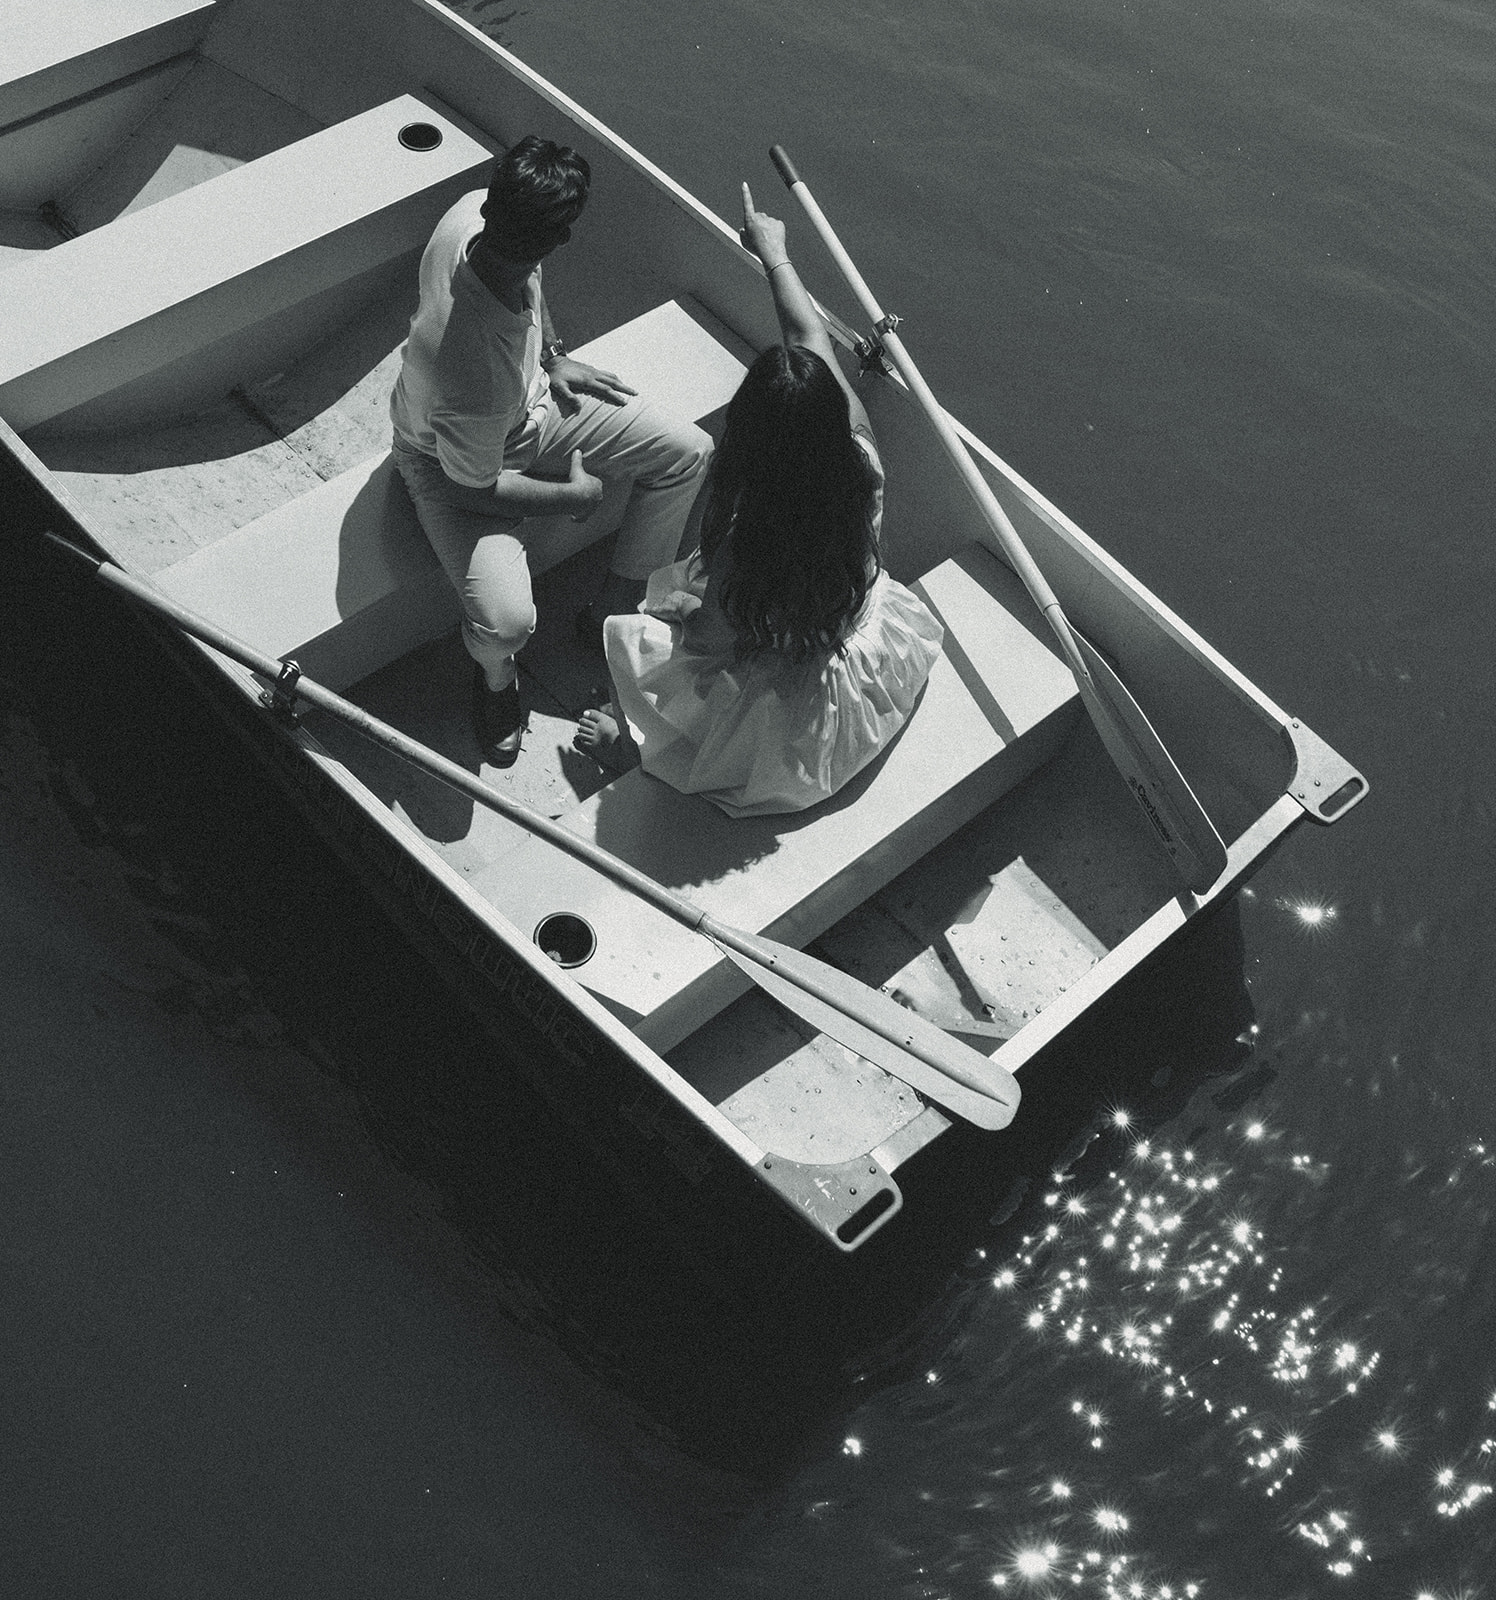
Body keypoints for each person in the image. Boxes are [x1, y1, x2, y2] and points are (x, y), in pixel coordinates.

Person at [573, 183, 943, 817]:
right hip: (859, 644)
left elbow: (705, 648)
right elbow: (809, 335)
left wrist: (671, 611)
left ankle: (628, 748)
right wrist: (773, 253)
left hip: (785, 703)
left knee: (638, 636)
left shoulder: (747, 552)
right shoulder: (857, 451)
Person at [390, 135, 712, 766]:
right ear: (559, 236)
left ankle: (612, 614)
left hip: (522, 409)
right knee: (506, 624)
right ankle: (495, 680)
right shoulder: (471, 365)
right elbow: (472, 488)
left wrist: (554, 356)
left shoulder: (477, 212)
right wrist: (573, 497)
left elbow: (531, 281)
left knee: (687, 453)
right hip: (444, 466)